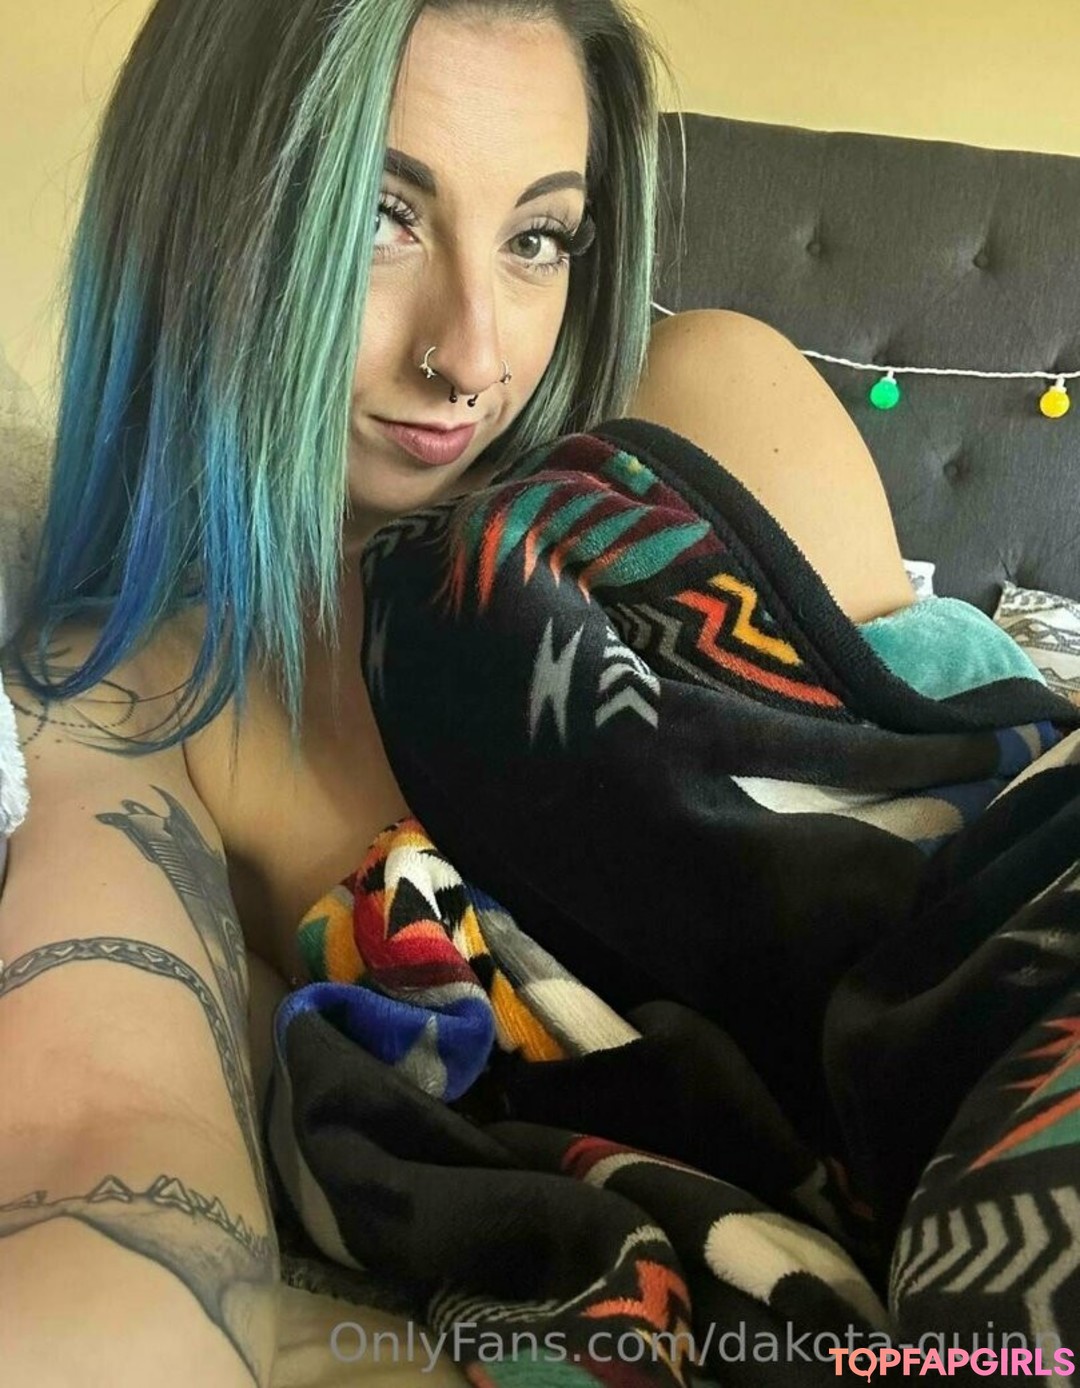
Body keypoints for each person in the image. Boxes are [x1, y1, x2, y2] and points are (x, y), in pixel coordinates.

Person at [0, 1, 916, 1383]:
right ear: (196, 216)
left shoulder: (706, 415)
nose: (473, 357)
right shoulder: (131, 699)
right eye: (382, 217)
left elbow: (961, 846)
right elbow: (104, 1153)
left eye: (538, 237)